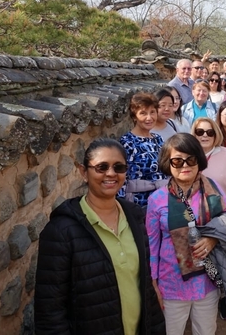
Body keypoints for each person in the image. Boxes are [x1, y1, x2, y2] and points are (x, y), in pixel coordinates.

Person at [35, 138, 165, 335]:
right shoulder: (61, 231)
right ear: (83, 172)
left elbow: (144, 285)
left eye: (118, 167)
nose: (111, 173)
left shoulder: (135, 215)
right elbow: (50, 310)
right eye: (101, 167)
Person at [147, 133, 226, 335]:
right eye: (177, 160)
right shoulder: (157, 200)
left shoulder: (213, 189)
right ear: (168, 163)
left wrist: (212, 239)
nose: (185, 165)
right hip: (171, 284)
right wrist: (153, 284)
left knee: (205, 331)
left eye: (191, 159)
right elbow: (151, 245)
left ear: (199, 160)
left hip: (208, 281)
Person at [119, 92, 166, 208]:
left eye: (152, 112)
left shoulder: (158, 139)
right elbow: (121, 176)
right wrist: (121, 205)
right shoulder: (128, 142)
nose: (149, 118)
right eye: (143, 113)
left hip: (162, 199)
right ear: (135, 116)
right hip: (139, 203)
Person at [191, 117, 226, 210]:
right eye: (200, 132)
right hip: (194, 214)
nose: (205, 135)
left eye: (210, 132)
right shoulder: (187, 156)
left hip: (223, 214)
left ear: (215, 135)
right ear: (194, 135)